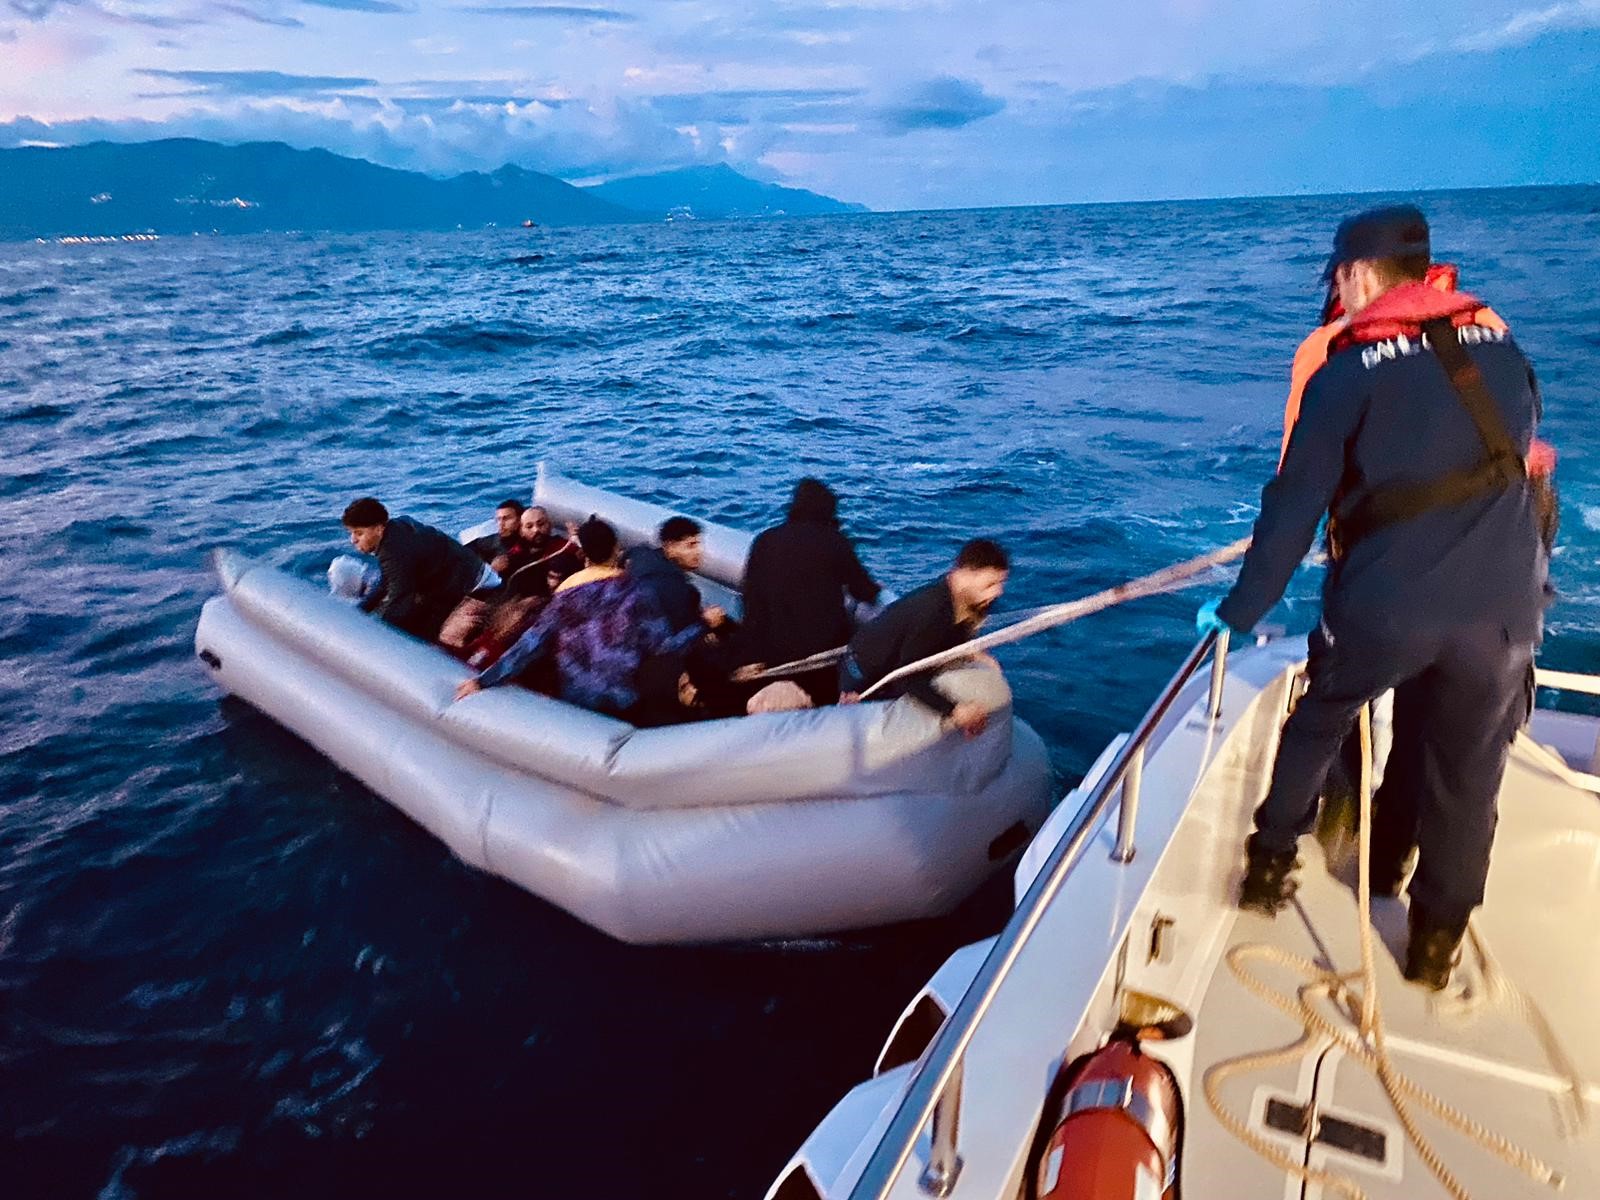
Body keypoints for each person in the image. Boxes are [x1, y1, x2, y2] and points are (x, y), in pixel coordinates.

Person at [1198, 204, 1550, 989]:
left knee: (1319, 718)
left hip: (1389, 608)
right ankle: (1433, 948)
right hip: (1502, 613)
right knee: (1466, 779)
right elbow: (1522, 460)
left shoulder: (1347, 373)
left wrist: (1238, 611)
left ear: (1357, 276)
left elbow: (1292, 513)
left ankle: (1268, 868)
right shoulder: (1503, 351)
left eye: (1339, 280)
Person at [453, 519, 707, 722]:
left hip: (574, 703)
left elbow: (528, 646)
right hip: (622, 702)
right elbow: (665, 647)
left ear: (584, 555)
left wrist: (482, 681)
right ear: (617, 550)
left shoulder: (565, 598)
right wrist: (702, 624)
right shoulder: (639, 595)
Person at [841, 539, 1009, 738]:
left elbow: (955, 633)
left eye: (1000, 583)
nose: (999, 592)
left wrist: (972, 654)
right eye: (990, 584)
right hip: (864, 675)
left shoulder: (959, 600)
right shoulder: (933, 613)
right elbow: (907, 676)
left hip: (892, 664)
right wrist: (955, 710)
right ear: (964, 575)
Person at [740, 478, 883, 705]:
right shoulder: (834, 541)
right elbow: (864, 590)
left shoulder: (764, 541)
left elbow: (750, 597)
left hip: (772, 654)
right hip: (821, 656)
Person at [628, 516, 735, 721]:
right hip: (650, 669)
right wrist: (706, 624)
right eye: (690, 545)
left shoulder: (640, 563)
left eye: (698, 544)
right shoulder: (675, 589)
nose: (698, 552)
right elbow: (675, 645)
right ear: (670, 547)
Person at [342, 497, 494, 642]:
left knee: (419, 630)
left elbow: (400, 598)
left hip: (472, 583)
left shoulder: (394, 551)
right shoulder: (397, 527)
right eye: (352, 533)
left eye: (359, 533)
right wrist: (359, 610)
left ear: (379, 529)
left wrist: (379, 634)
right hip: (461, 573)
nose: (353, 540)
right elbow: (388, 580)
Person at [503, 506, 584, 598]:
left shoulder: (563, 546)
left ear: (549, 525)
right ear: (521, 531)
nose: (536, 530)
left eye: (541, 524)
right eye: (529, 526)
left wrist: (578, 539)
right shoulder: (515, 556)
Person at [467, 498, 528, 575]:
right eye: (499, 519)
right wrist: (491, 569)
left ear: (520, 519)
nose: (501, 524)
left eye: (506, 518)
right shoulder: (489, 542)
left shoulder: (531, 540)